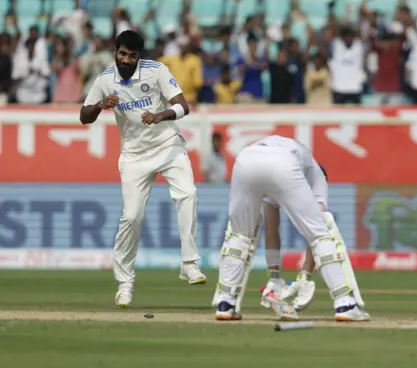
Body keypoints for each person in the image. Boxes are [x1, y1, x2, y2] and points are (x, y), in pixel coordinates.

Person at [79, 30, 206, 308]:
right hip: (134, 156)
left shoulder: (157, 71)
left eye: (132, 56)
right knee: (132, 217)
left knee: (188, 194)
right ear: (115, 51)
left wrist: (161, 115)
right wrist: (102, 105)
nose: (126, 59)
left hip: (168, 145)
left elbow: (183, 107)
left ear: (139, 56)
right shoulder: (104, 80)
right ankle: (125, 283)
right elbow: (83, 117)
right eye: (122, 54)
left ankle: (189, 263)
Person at [212, 135, 369, 322]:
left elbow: (272, 228)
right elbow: (316, 235)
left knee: (240, 235)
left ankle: (226, 303)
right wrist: (302, 276)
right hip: (281, 161)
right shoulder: (317, 176)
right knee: (322, 235)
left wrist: (275, 275)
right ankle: (345, 304)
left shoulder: (294, 161)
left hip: (246, 159)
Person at [260, 164, 330, 311]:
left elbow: (271, 230)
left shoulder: (314, 178)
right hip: (280, 175)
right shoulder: (314, 177)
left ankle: (283, 278)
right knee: (316, 226)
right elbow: (316, 227)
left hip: (275, 174)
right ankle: (296, 278)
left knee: (315, 225)